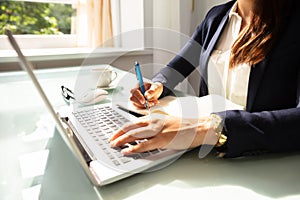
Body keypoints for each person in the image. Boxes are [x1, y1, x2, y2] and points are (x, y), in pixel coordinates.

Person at [110, 0, 300, 158]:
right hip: (206, 153)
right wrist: (158, 85)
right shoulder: (216, 17)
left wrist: (211, 128)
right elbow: (178, 66)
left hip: (264, 157)